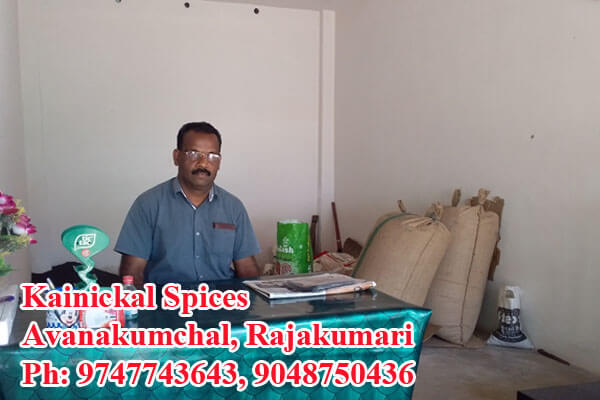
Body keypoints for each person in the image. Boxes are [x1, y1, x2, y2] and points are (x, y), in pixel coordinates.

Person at [115, 122, 260, 286]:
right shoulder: (148, 204)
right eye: (193, 154)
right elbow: (132, 273)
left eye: (212, 156)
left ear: (219, 162)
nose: (203, 163)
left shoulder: (233, 207)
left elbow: (247, 269)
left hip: (221, 300)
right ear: (177, 157)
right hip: (166, 300)